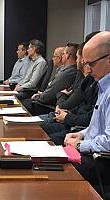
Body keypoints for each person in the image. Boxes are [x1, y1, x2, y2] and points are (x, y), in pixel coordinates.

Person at [64, 31, 110, 189]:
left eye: (91, 64)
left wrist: (79, 145)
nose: (88, 70)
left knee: (59, 172)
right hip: (92, 154)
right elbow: (100, 127)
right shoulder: (103, 85)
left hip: (103, 161)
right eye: (86, 64)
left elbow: (109, 141)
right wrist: (82, 134)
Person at [22, 44, 78, 115]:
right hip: (48, 101)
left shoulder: (67, 73)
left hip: (50, 106)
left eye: (54, 56)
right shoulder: (64, 71)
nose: (52, 59)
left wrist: (37, 97)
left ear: (67, 56)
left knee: (21, 106)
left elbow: (47, 97)